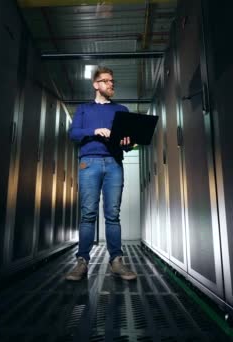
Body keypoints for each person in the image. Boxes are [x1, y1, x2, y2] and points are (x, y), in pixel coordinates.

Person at [66, 66, 137, 281]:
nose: (110, 84)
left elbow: (128, 144)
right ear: (96, 85)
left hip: (114, 163)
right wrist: (95, 131)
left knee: (112, 215)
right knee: (88, 214)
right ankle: (82, 262)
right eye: (106, 81)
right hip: (89, 163)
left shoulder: (122, 110)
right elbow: (73, 133)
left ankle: (116, 261)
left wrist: (128, 142)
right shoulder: (84, 109)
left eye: (112, 81)